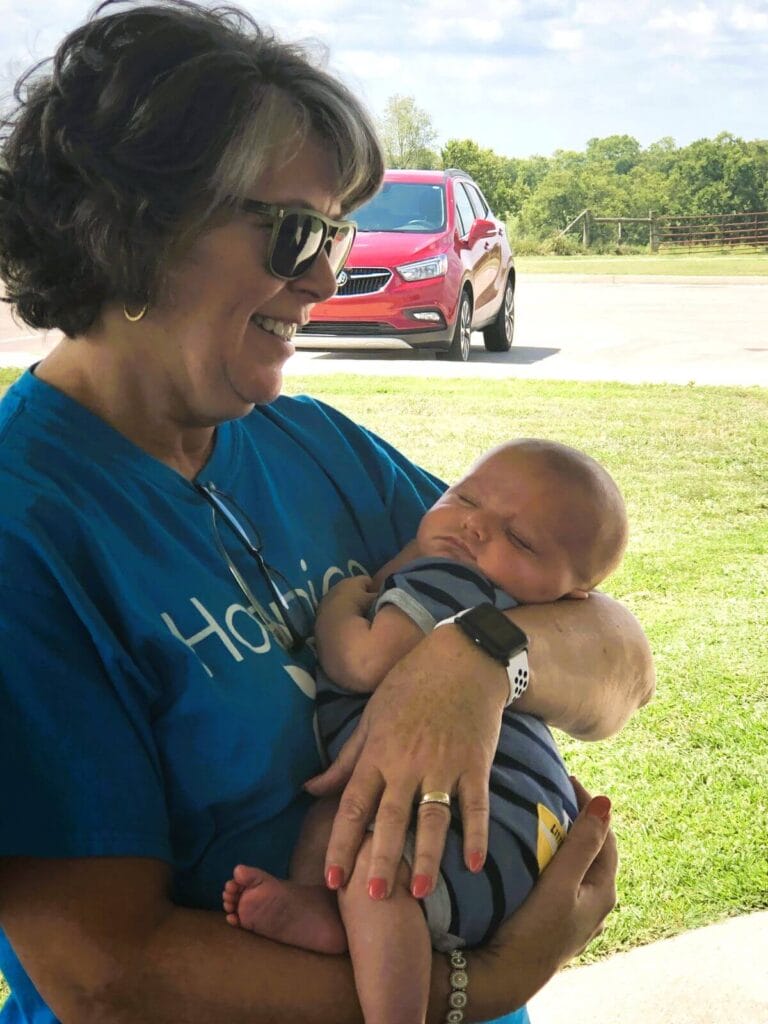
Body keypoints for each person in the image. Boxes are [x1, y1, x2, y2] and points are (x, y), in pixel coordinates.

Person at [0, 3, 655, 1022]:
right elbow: (106, 976)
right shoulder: (24, 529)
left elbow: (618, 660)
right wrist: (477, 985)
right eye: (297, 233)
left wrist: (478, 658)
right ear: (136, 224)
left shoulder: (314, 442)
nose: (325, 277)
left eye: (337, 236)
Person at [222, 438, 629, 1024]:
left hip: (480, 823)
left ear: (571, 594)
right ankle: (326, 912)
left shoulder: (451, 580)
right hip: (523, 820)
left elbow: (363, 662)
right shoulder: (484, 580)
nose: (475, 526)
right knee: (334, 824)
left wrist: (339, 607)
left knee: (376, 872)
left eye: (519, 539)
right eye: (464, 497)